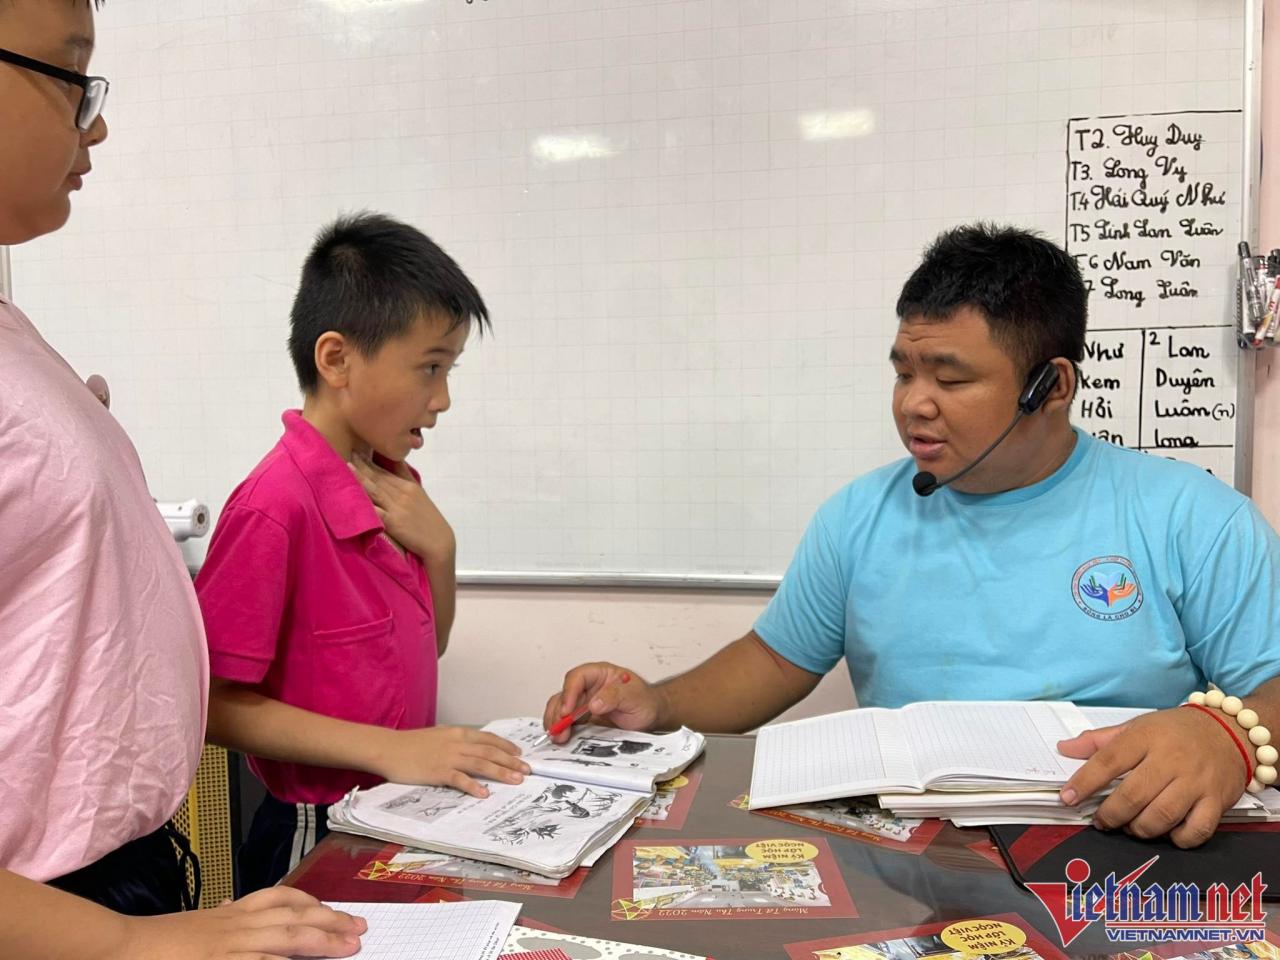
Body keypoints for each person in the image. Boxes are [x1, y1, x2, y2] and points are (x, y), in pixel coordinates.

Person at [544, 224, 1280, 849]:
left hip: (1112, 843)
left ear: (1051, 387)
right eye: (903, 373)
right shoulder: (860, 514)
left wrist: (1227, 736)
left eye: (951, 380)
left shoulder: (1192, 518)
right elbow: (772, 661)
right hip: (911, 855)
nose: (913, 406)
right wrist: (658, 704)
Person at [0, 0, 365, 955]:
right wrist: (126, 944)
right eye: (71, 76)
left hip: (106, 883)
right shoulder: (280, 497)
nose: (98, 120)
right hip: (53, 911)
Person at [195, 212, 529, 891]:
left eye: (450, 369)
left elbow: (421, 649)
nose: (442, 400)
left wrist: (442, 549)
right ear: (337, 359)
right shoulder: (274, 507)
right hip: (314, 828)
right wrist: (392, 749)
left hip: (395, 814)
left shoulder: (393, 485)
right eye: (430, 368)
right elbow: (212, 705)